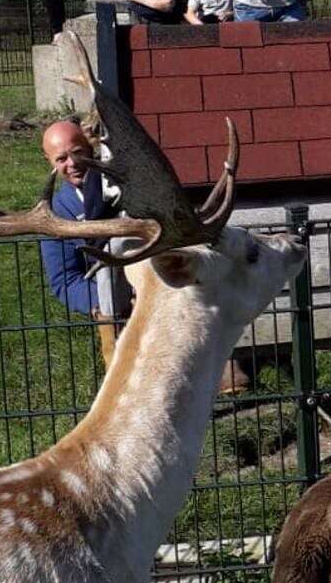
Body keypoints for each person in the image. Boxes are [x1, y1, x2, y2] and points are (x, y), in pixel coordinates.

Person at [38, 120, 249, 393]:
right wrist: (101, 301)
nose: (73, 163)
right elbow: (64, 281)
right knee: (110, 291)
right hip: (111, 297)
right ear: (49, 161)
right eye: (61, 159)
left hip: (156, 276)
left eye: (77, 152)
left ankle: (215, 365)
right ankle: (126, 384)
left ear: (89, 147)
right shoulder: (57, 213)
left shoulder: (125, 185)